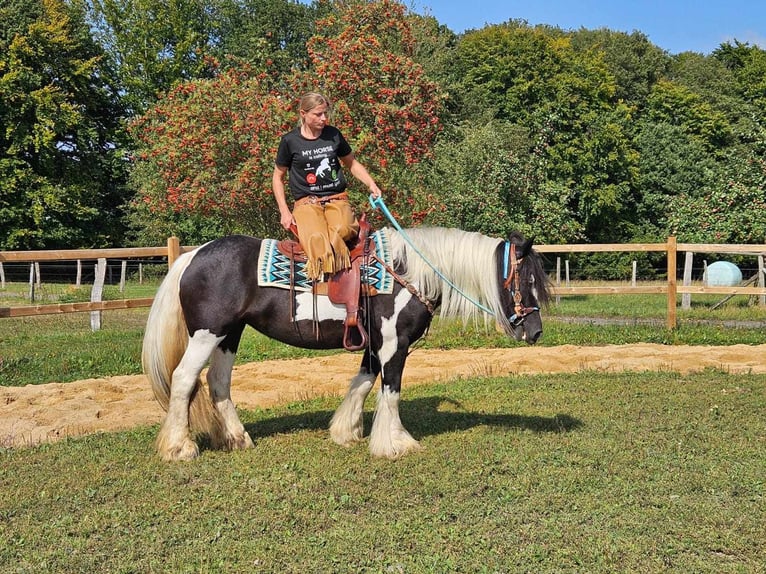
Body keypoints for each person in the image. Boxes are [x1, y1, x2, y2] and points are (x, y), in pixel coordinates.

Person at [272, 92, 382, 281]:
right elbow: (277, 177)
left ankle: (346, 280)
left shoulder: (333, 135)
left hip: (337, 199)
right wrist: (284, 211)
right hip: (306, 204)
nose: (324, 118)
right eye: (318, 114)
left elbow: (352, 163)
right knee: (317, 239)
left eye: (325, 113)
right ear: (303, 114)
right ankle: (320, 288)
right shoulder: (290, 141)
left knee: (343, 229)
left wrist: (371, 183)